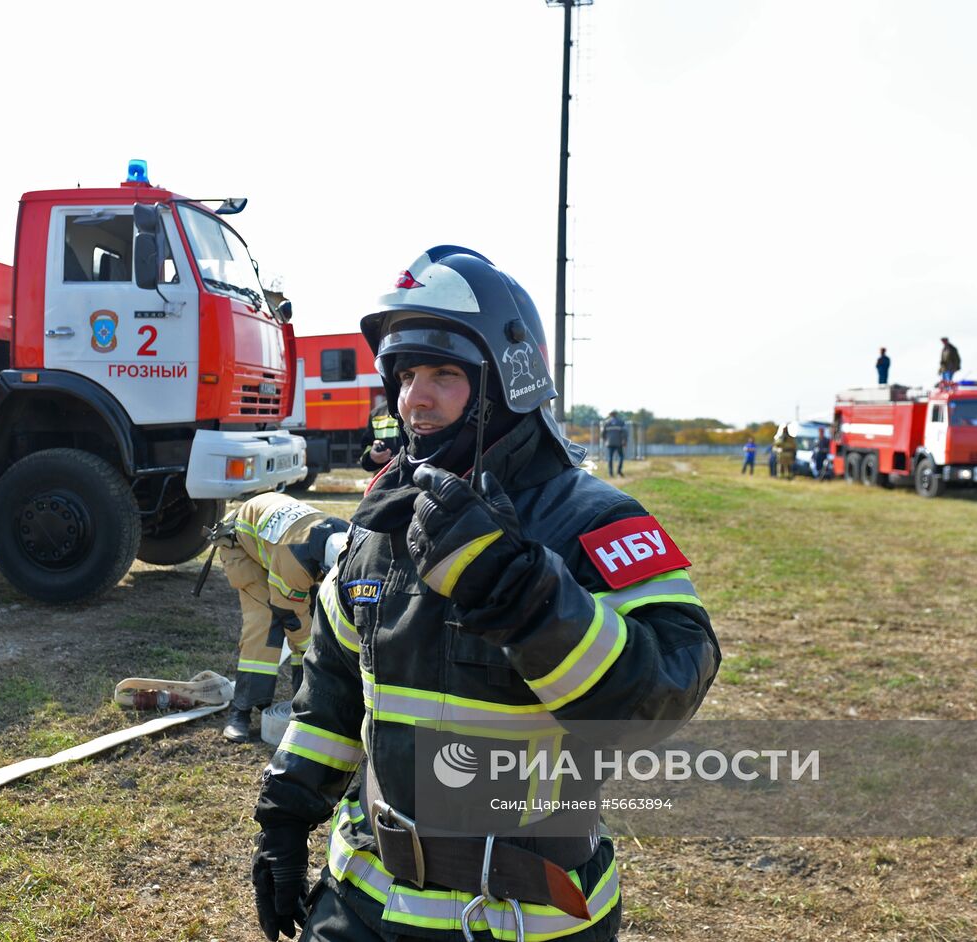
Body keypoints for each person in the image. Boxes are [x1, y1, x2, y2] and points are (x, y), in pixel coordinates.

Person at [250, 246, 719, 942]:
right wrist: (285, 817)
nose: (417, 398)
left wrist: (525, 598)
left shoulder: (595, 522)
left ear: (507, 383)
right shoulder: (381, 526)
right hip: (362, 907)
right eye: (406, 374)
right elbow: (334, 694)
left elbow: (661, 696)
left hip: (523, 920)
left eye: (444, 373)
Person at [212, 492, 350, 743]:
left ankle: (305, 700)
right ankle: (241, 711)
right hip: (243, 547)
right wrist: (319, 653)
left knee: (312, 622)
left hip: (279, 543)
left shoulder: (348, 539)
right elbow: (290, 614)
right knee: (265, 625)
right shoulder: (294, 559)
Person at [359, 394, 402, 472]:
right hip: (388, 480)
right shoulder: (377, 413)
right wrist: (372, 456)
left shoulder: (426, 411)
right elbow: (366, 447)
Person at [601, 410, 627, 476]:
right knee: (621, 457)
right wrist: (624, 441)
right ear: (616, 414)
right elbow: (624, 432)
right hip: (619, 442)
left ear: (610, 415)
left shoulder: (606, 423)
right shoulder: (621, 422)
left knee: (610, 458)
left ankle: (610, 473)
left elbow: (603, 433)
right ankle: (619, 471)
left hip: (609, 443)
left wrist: (605, 440)